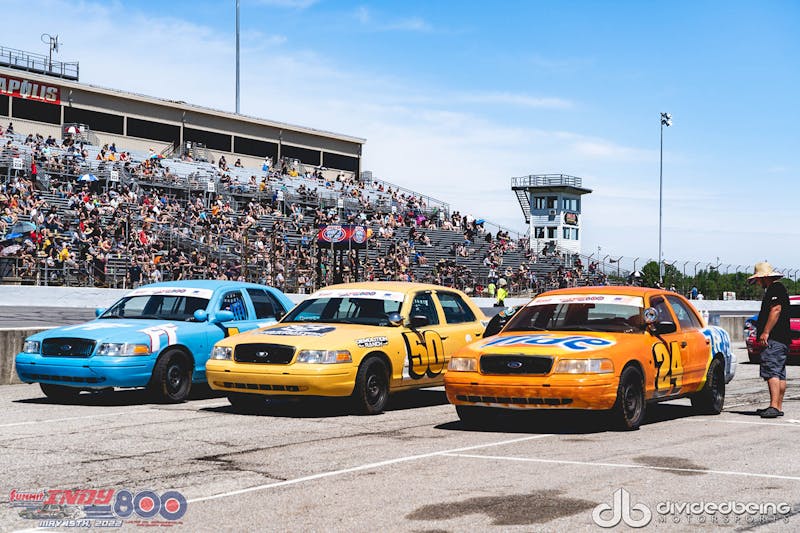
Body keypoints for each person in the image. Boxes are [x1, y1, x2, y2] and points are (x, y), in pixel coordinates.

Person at [749, 262, 791, 418]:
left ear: (765, 277)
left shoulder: (775, 289)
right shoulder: (779, 289)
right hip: (782, 339)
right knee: (779, 373)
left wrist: (765, 332)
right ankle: (777, 406)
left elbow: (776, 309)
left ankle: (774, 406)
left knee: (771, 370)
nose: (758, 282)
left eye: (759, 279)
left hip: (774, 339)